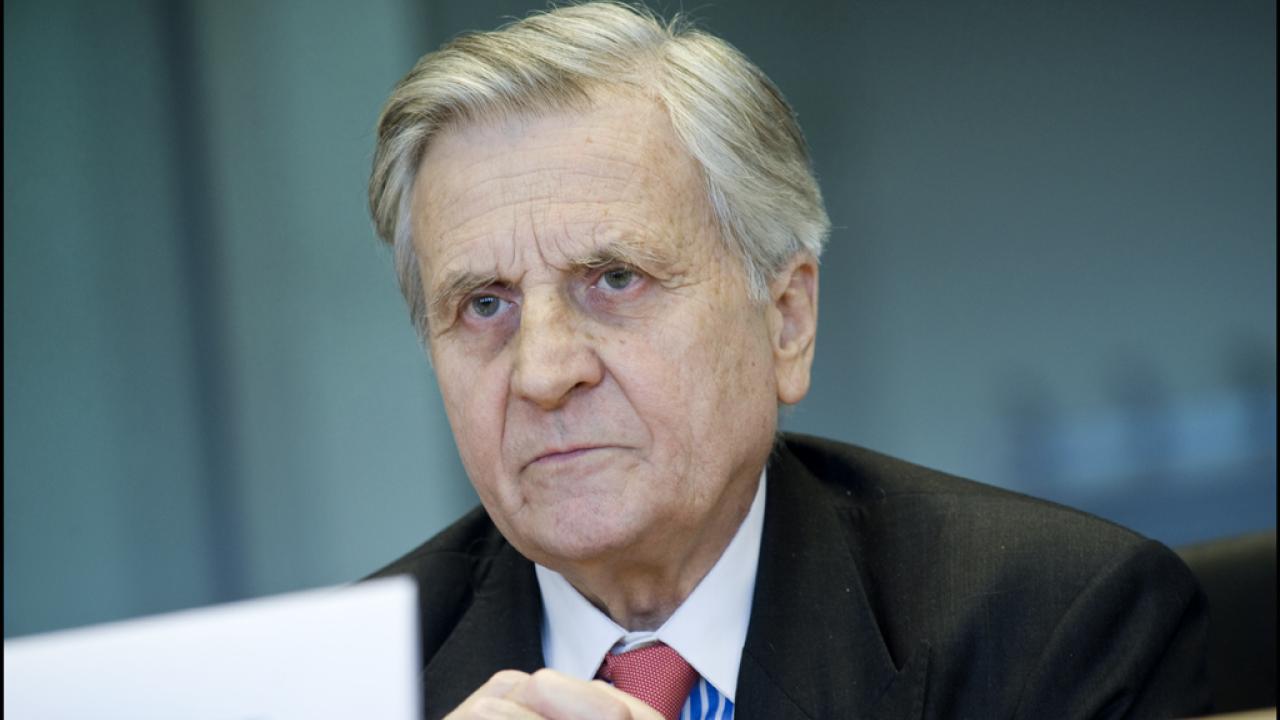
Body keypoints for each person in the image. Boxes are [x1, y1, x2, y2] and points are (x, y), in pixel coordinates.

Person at [365, 3, 1209, 718]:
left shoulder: (1053, 628)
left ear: (786, 321)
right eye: (485, 305)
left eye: (615, 279)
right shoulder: (352, 682)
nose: (544, 373)